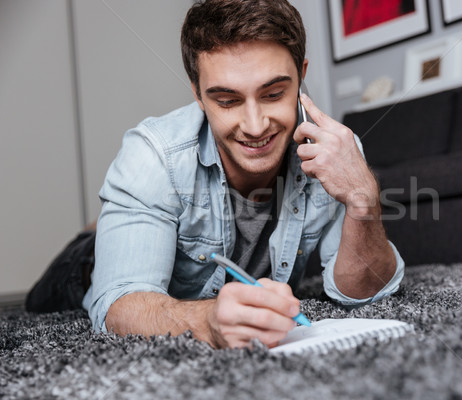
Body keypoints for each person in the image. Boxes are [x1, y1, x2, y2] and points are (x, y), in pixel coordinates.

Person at [26, 0, 404, 349]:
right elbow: (118, 304)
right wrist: (207, 320)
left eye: (273, 94)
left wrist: (363, 199)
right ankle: (105, 229)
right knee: (41, 297)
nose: (255, 126)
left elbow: (361, 292)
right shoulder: (153, 155)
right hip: (85, 263)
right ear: (198, 94)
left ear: (301, 76)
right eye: (227, 100)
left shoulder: (337, 149)